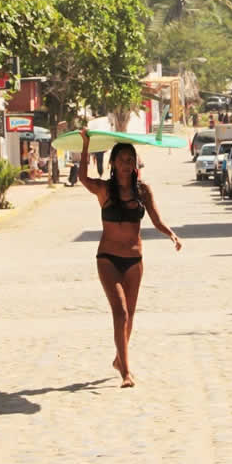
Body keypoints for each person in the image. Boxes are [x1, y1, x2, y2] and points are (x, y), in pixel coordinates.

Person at [78, 128, 183, 388]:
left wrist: (171, 234)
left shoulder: (142, 191)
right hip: (108, 259)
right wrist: (85, 146)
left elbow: (156, 219)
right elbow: (82, 177)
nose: (127, 164)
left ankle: (119, 359)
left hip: (134, 261)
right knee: (121, 312)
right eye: (122, 159)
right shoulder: (104, 190)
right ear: (113, 163)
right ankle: (126, 372)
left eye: (131, 160)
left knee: (130, 316)